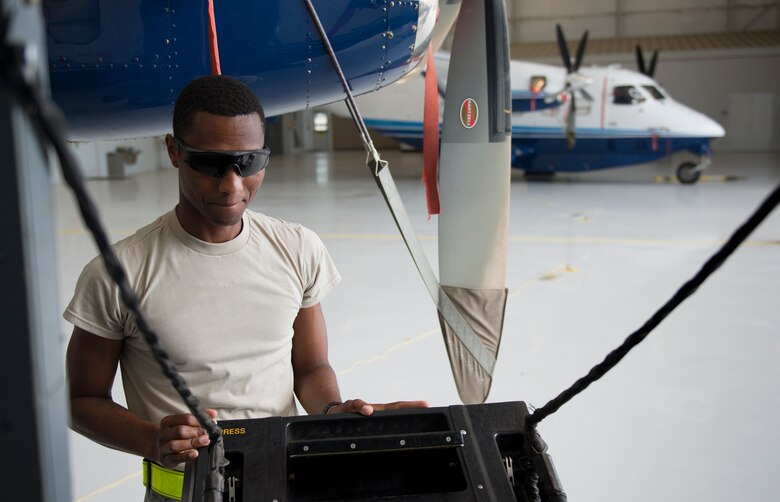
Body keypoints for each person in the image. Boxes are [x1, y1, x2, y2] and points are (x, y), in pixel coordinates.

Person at [64, 75, 426, 501]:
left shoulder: (296, 248)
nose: (232, 185)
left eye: (248, 162)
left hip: (287, 484)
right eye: (211, 163)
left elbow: (309, 368)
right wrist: (151, 439)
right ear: (173, 150)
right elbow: (82, 399)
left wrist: (331, 412)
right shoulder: (119, 272)